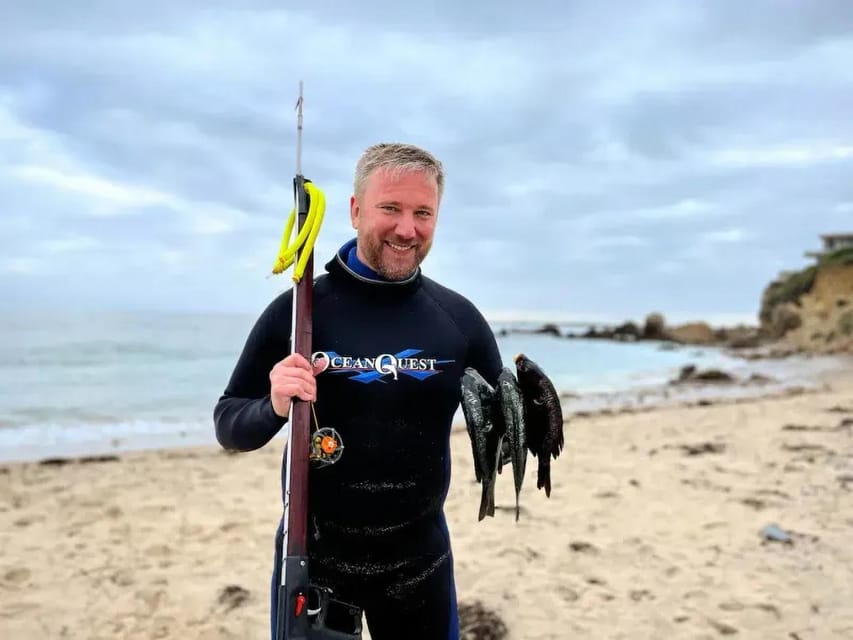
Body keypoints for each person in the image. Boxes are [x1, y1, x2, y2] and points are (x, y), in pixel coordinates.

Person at [213, 143, 503, 640]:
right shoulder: (298, 313)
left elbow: (502, 425)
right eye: (390, 208)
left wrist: (536, 420)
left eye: (423, 213)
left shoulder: (459, 322)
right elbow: (229, 424)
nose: (406, 229)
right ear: (354, 210)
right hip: (313, 560)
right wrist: (274, 404)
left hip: (419, 563)